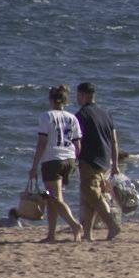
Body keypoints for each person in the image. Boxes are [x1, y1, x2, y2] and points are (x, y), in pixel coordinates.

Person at [28, 84, 85, 242]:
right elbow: (78, 144)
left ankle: (75, 225)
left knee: (54, 197)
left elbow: (42, 142)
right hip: (69, 160)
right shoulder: (72, 117)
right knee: (50, 197)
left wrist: (34, 166)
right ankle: (51, 234)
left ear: (51, 100)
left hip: (52, 160)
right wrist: (75, 161)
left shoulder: (46, 116)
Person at [74, 82, 121, 241]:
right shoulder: (106, 113)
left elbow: (77, 140)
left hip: (89, 159)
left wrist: (74, 158)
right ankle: (87, 233)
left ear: (84, 95)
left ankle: (112, 224)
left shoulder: (81, 115)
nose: (77, 98)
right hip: (105, 160)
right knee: (89, 196)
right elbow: (114, 141)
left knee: (92, 194)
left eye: (78, 95)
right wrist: (115, 164)